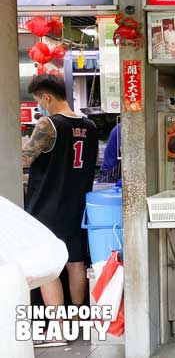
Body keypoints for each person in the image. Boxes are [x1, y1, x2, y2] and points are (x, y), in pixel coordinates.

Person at [22, 74, 98, 347]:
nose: (39, 107)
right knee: (75, 263)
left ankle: (57, 330)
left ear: (46, 98)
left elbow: (24, 158)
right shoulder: (89, 125)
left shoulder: (48, 124)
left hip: (47, 207)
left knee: (49, 266)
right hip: (77, 205)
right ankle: (78, 321)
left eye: (38, 101)